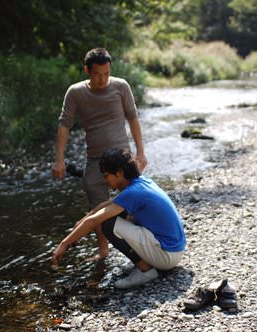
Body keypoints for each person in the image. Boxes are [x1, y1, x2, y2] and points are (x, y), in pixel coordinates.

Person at [52, 48, 147, 260]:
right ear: (87, 70)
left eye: (106, 73)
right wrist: (59, 159)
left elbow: (132, 118)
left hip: (122, 157)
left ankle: (144, 247)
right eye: (97, 74)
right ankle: (104, 251)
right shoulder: (75, 92)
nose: (103, 79)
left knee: (136, 200)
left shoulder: (121, 86)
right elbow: (64, 125)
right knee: (97, 208)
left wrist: (140, 151)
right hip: (95, 159)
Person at [51, 148, 186, 289]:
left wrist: (64, 244)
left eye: (106, 175)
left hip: (166, 256)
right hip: (174, 249)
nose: (105, 180)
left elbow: (95, 220)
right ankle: (145, 260)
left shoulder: (133, 193)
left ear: (119, 172)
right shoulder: (141, 182)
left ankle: (145, 270)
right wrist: (80, 222)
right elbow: (106, 204)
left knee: (108, 222)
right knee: (117, 213)